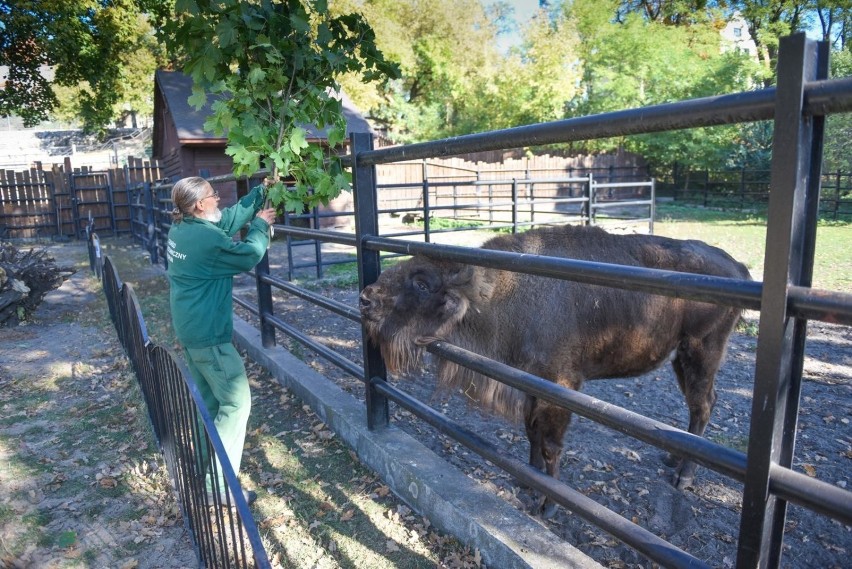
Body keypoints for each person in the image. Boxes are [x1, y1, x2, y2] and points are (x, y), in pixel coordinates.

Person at [166, 176, 276, 505]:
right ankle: (219, 486)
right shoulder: (206, 241)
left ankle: (205, 466)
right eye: (214, 196)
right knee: (236, 402)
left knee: (212, 403)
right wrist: (260, 227)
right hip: (209, 336)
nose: (219, 199)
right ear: (200, 204)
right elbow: (247, 255)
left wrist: (261, 193)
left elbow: (226, 220)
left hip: (191, 329)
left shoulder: (185, 229)